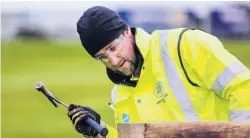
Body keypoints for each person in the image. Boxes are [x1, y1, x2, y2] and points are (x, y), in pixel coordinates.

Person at [67, 6, 250, 138]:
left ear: (127, 32)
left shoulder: (186, 45)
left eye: (113, 48)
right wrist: (99, 130)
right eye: (103, 57)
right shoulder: (120, 95)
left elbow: (243, 87)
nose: (113, 61)